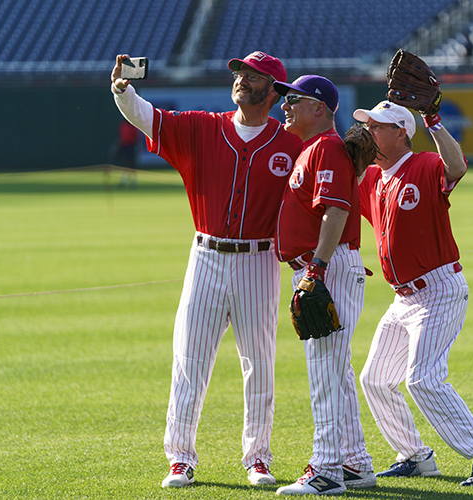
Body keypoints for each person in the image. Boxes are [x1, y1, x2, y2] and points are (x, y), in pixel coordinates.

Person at [110, 51, 303, 488]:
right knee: (189, 360)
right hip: (206, 256)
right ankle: (180, 457)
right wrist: (122, 88)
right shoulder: (202, 127)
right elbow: (148, 118)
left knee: (260, 363)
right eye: (240, 72)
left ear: (272, 91)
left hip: (260, 259)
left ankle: (258, 458)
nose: (242, 80)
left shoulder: (292, 146)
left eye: (253, 76)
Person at [354, 101, 473, 487]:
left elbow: (457, 167)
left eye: (377, 127)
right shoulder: (374, 179)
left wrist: (435, 122)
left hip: (438, 289)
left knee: (422, 379)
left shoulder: (423, 165)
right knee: (375, 378)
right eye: (369, 125)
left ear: (401, 133)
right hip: (403, 298)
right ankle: (414, 456)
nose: (370, 132)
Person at [271, 75, 375, 496]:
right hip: (324, 266)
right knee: (337, 372)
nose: (285, 106)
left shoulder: (326, 147)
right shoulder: (312, 149)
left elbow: (335, 212)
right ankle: (355, 464)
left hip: (327, 266)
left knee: (326, 374)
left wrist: (316, 268)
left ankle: (327, 471)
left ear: (320, 107)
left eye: (293, 99)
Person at [113, 118, 139, 187]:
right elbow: (121, 136)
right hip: (124, 146)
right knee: (125, 164)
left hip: (131, 146)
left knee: (131, 164)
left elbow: (136, 137)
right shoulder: (123, 125)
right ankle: (123, 181)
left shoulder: (133, 125)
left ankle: (133, 181)